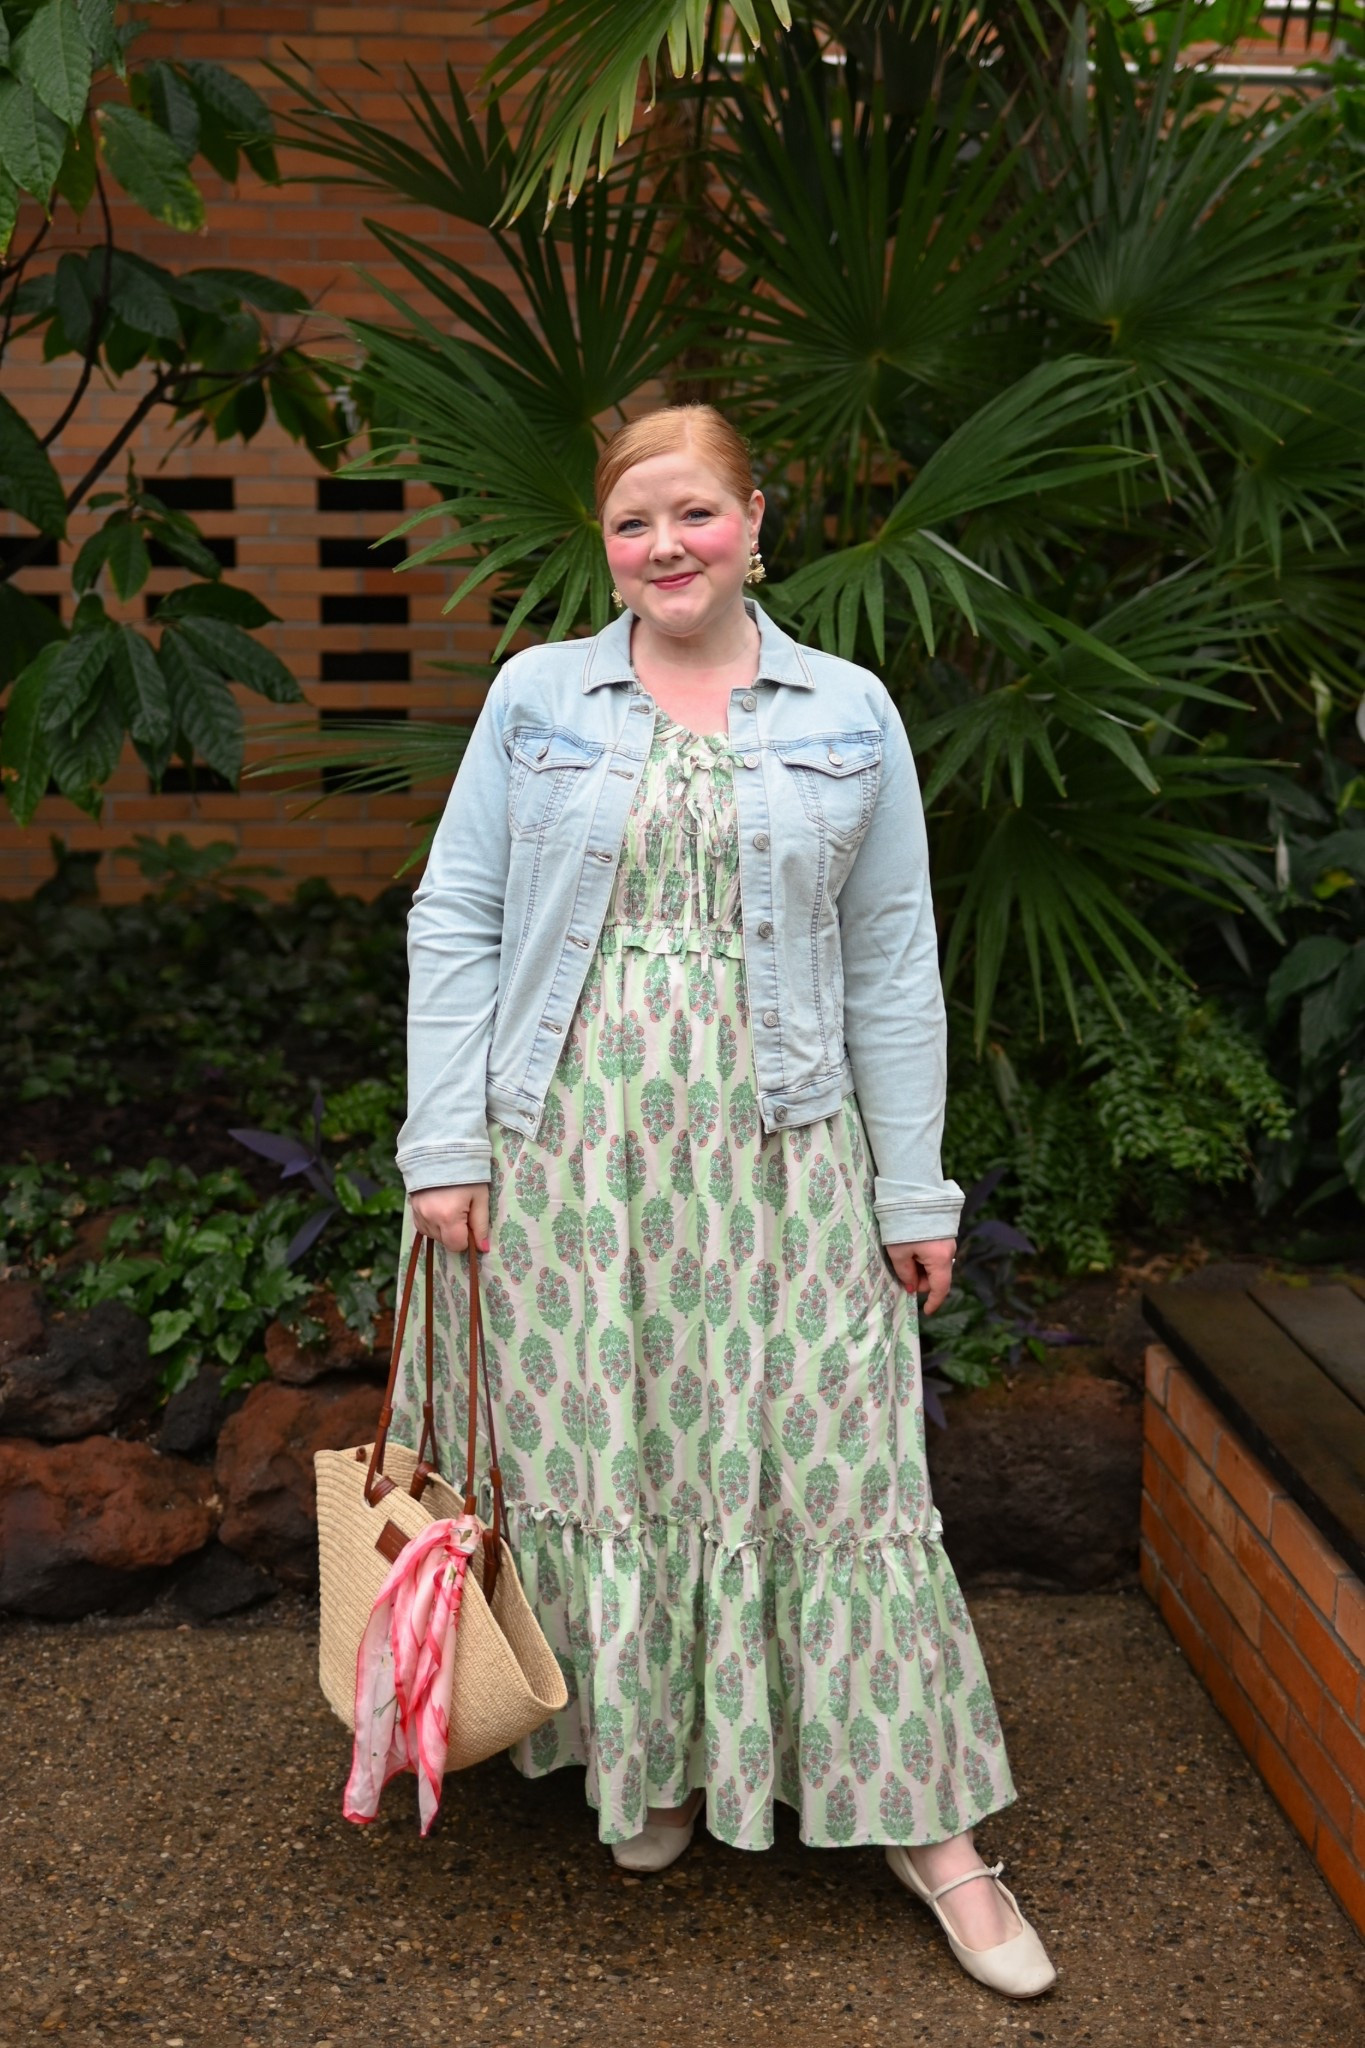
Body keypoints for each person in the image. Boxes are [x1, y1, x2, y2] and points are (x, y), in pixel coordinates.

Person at [390, 404, 1056, 1999]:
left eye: (693, 513)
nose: (664, 545)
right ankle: (657, 1760)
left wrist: (914, 1188)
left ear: (756, 522)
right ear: (605, 544)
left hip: (786, 1151)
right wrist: (445, 1146)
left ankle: (935, 1835)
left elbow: (891, 957)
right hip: (570, 1147)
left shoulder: (849, 710)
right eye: (633, 523)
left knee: (836, 1468)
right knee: (613, 1446)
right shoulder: (538, 697)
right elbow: (458, 913)